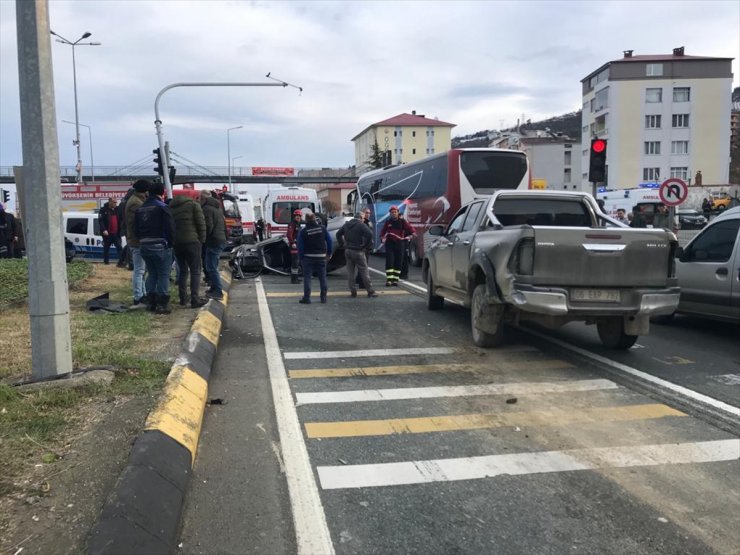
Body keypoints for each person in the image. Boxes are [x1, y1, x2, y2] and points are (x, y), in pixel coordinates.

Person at [134, 182, 175, 314]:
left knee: (152, 273)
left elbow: (136, 230)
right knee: (163, 274)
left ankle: (150, 302)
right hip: (160, 245)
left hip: (144, 246)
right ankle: (162, 304)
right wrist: (171, 243)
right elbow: (170, 228)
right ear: (162, 193)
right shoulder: (162, 207)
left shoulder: (140, 209)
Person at [170, 191, 207, 308]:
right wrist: (202, 239)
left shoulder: (171, 208)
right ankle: (195, 299)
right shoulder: (193, 205)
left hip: (177, 243)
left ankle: (183, 298)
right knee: (195, 271)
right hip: (192, 242)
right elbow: (201, 223)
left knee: (183, 271)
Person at [337, 212, 378, 298]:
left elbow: (338, 234)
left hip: (348, 250)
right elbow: (370, 234)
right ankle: (370, 291)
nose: (363, 220)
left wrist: (342, 244)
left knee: (350, 272)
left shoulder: (347, 224)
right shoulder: (361, 225)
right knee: (364, 271)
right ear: (360, 217)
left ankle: (353, 291)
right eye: (363, 218)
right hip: (358, 250)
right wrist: (365, 245)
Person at [297, 210, 332, 304]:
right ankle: (323, 297)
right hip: (321, 257)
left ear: (306, 220)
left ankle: (307, 298)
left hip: (308, 257)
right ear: (315, 219)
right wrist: (329, 253)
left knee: (307, 277)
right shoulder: (323, 228)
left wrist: (301, 257)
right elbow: (329, 241)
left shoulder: (303, 232)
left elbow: (300, 246)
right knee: (322, 277)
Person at [125, 180, 150, 306]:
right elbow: (136, 223)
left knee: (142, 270)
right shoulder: (136, 203)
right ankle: (138, 296)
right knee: (139, 270)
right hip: (137, 240)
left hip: (137, 239)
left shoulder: (136, 200)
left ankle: (143, 294)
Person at [200, 190, 227, 301]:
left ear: (203, 198)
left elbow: (208, 226)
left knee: (210, 266)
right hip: (220, 239)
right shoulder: (217, 208)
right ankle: (213, 288)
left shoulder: (206, 209)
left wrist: (203, 238)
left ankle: (218, 291)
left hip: (213, 240)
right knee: (211, 265)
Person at [380, 205, 414, 286]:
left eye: (395, 212)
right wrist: (382, 238)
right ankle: (389, 280)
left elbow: (410, 229)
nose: (394, 214)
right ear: (390, 213)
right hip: (390, 243)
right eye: (392, 212)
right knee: (390, 261)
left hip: (400, 244)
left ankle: (395, 280)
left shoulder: (402, 222)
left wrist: (413, 233)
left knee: (399, 261)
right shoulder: (388, 222)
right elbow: (383, 232)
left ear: (398, 213)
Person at [98, 197, 125, 266]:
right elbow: (100, 221)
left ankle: (121, 262)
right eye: (114, 202)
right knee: (106, 248)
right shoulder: (103, 210)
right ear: (109, 202)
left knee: (119, 247)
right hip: (107, 233)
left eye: (116, 202)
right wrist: (104, 230)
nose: (115, 204)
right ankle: (106, 262)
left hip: (116, 233)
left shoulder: (117, 209)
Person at [286, 209, 303, 284]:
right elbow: (289, 234)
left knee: (297, 262)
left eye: (299, 216)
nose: (298, 217)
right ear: (294, 216)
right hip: (294, 245)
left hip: (298, 245)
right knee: (295, 262)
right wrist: (292, 242)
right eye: (296, 216)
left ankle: (296, 277)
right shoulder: (292, 224)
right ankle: (294, 279)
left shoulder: (297, 224)